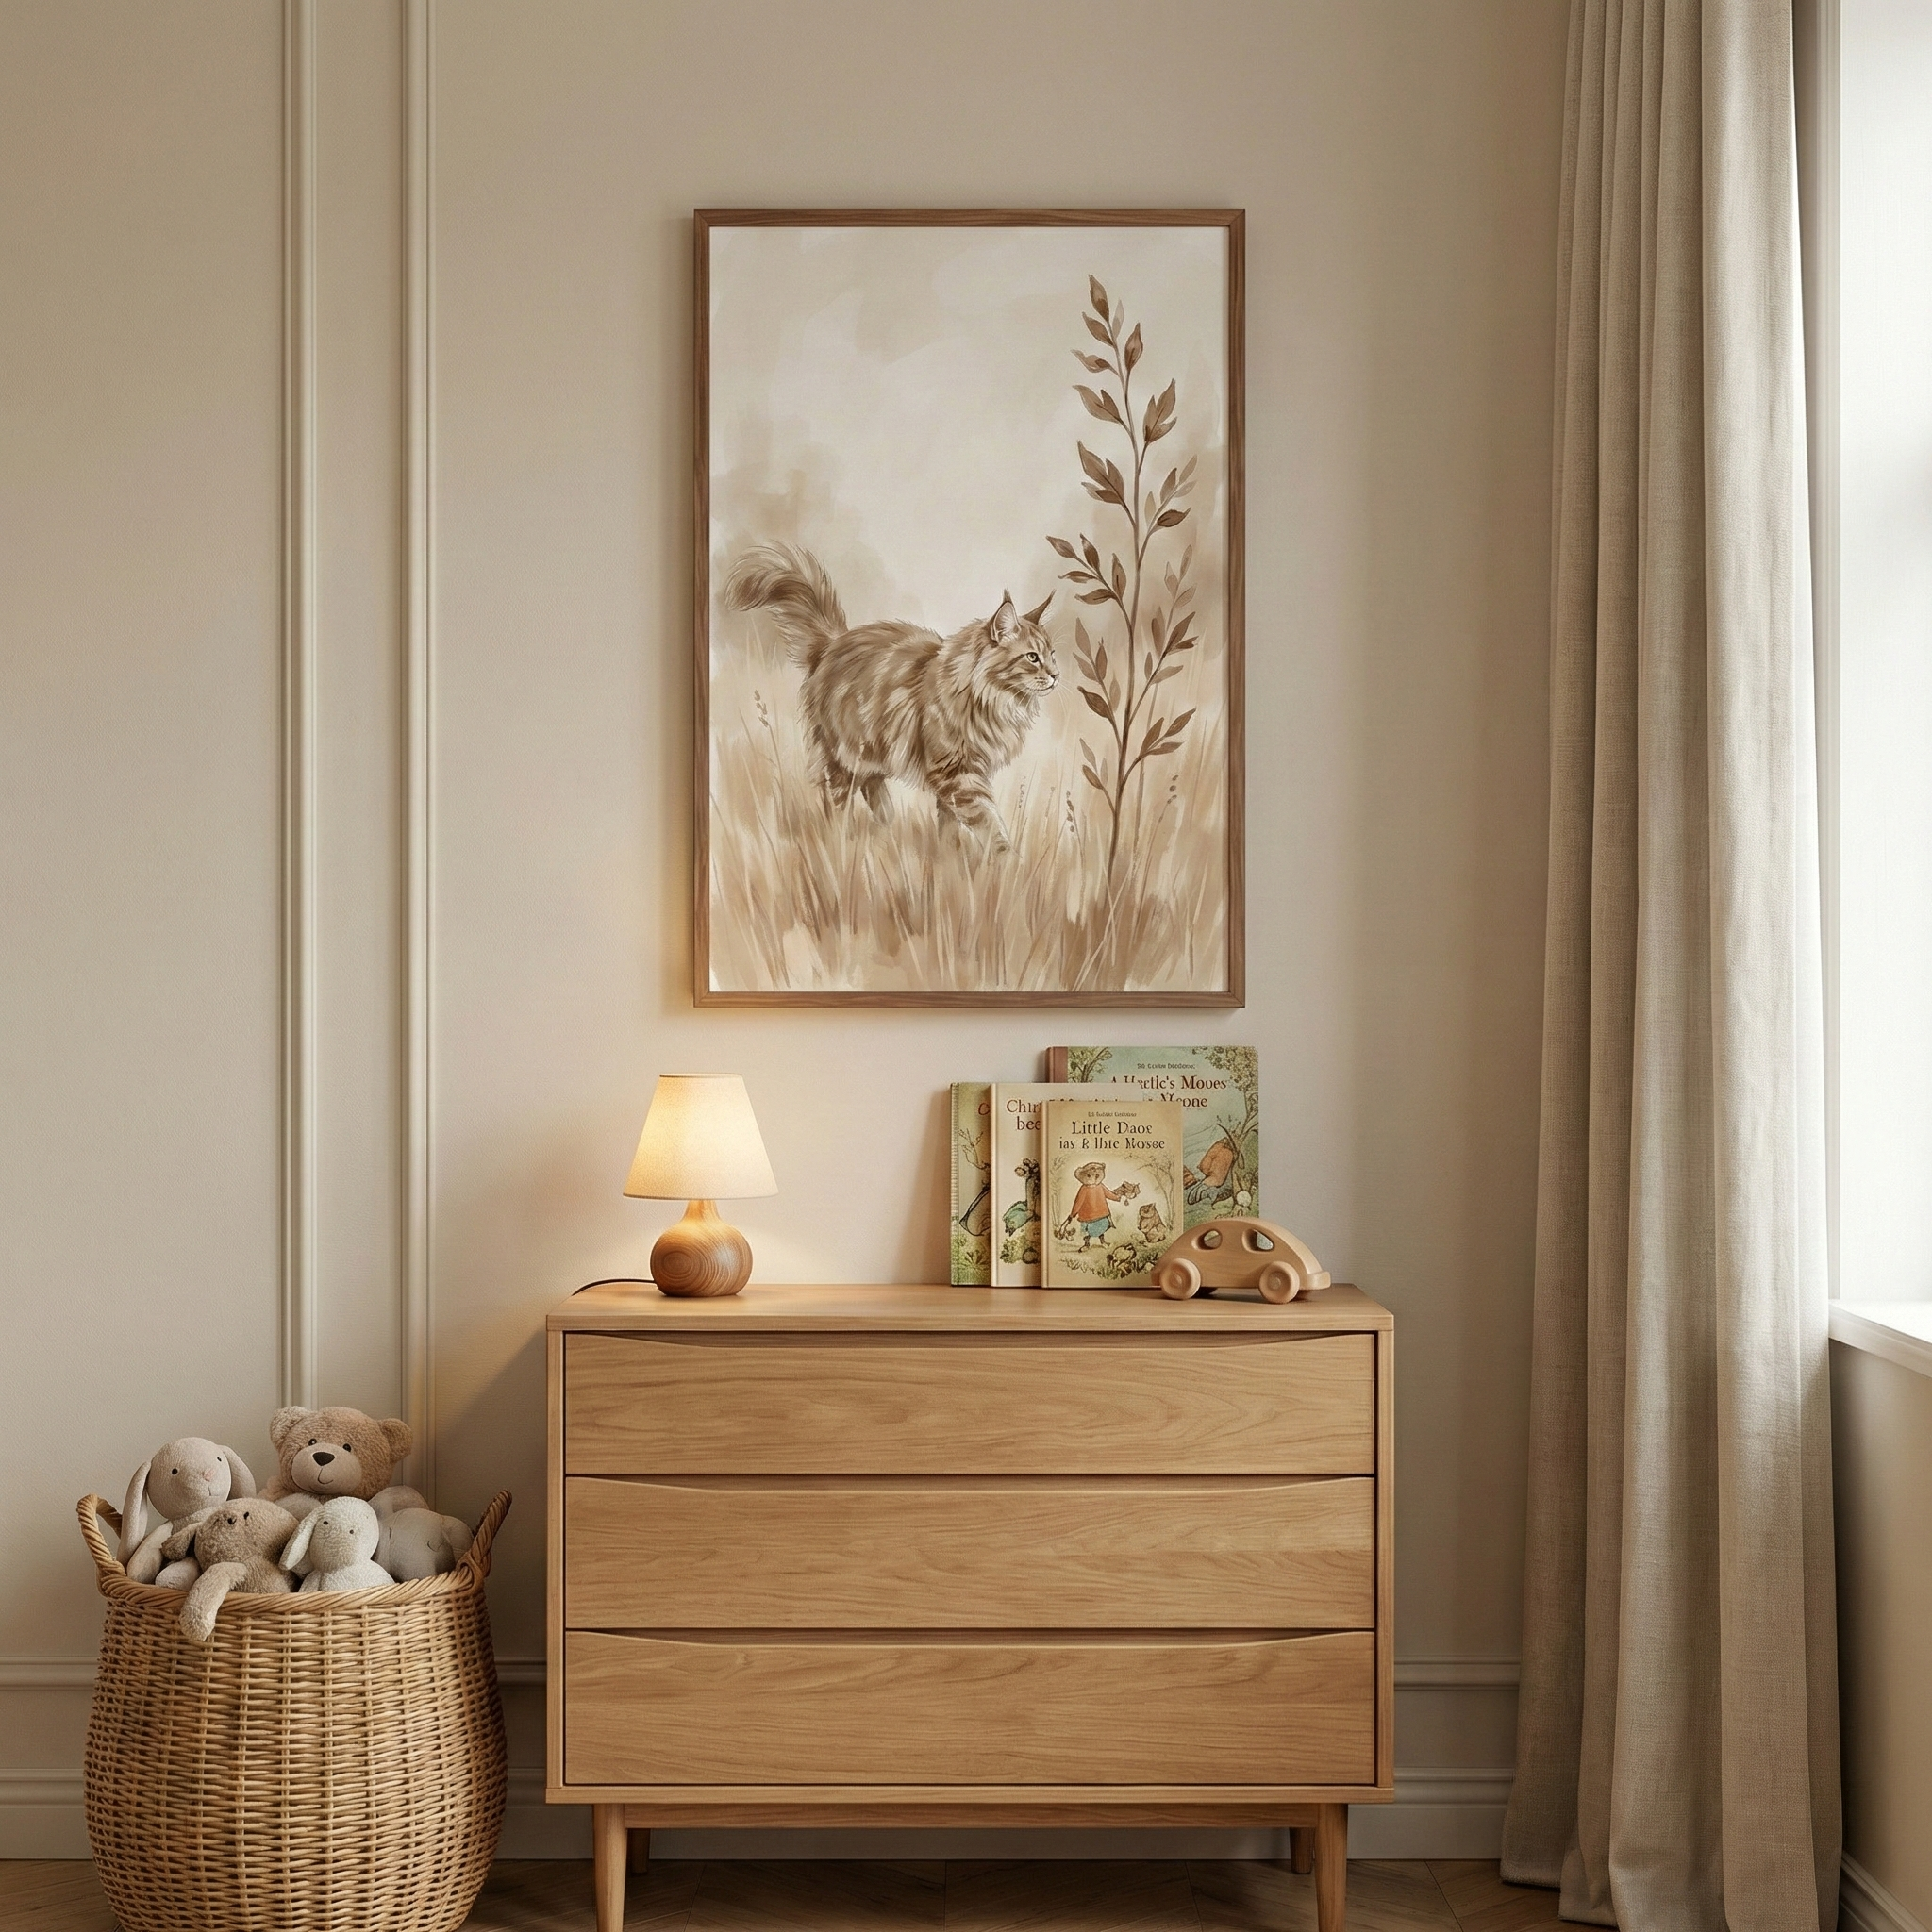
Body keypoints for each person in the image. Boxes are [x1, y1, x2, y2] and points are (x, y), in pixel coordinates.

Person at [1066, 1160, 1132, 1247]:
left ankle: (1102, 1242)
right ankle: (1086, 1244)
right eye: (1089, 1175)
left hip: (1101, 1213)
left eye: (1096, 1176)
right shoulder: (1084, 1189)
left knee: (1101, 1228)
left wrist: (1118, 1197)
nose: (1093, 1178)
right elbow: (1078, 1202)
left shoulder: (1100, 1186)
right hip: (1087, 1215)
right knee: (1087, 1231)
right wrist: (1073, 1214)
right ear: (1083, 1176)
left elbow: (1109, 1194)